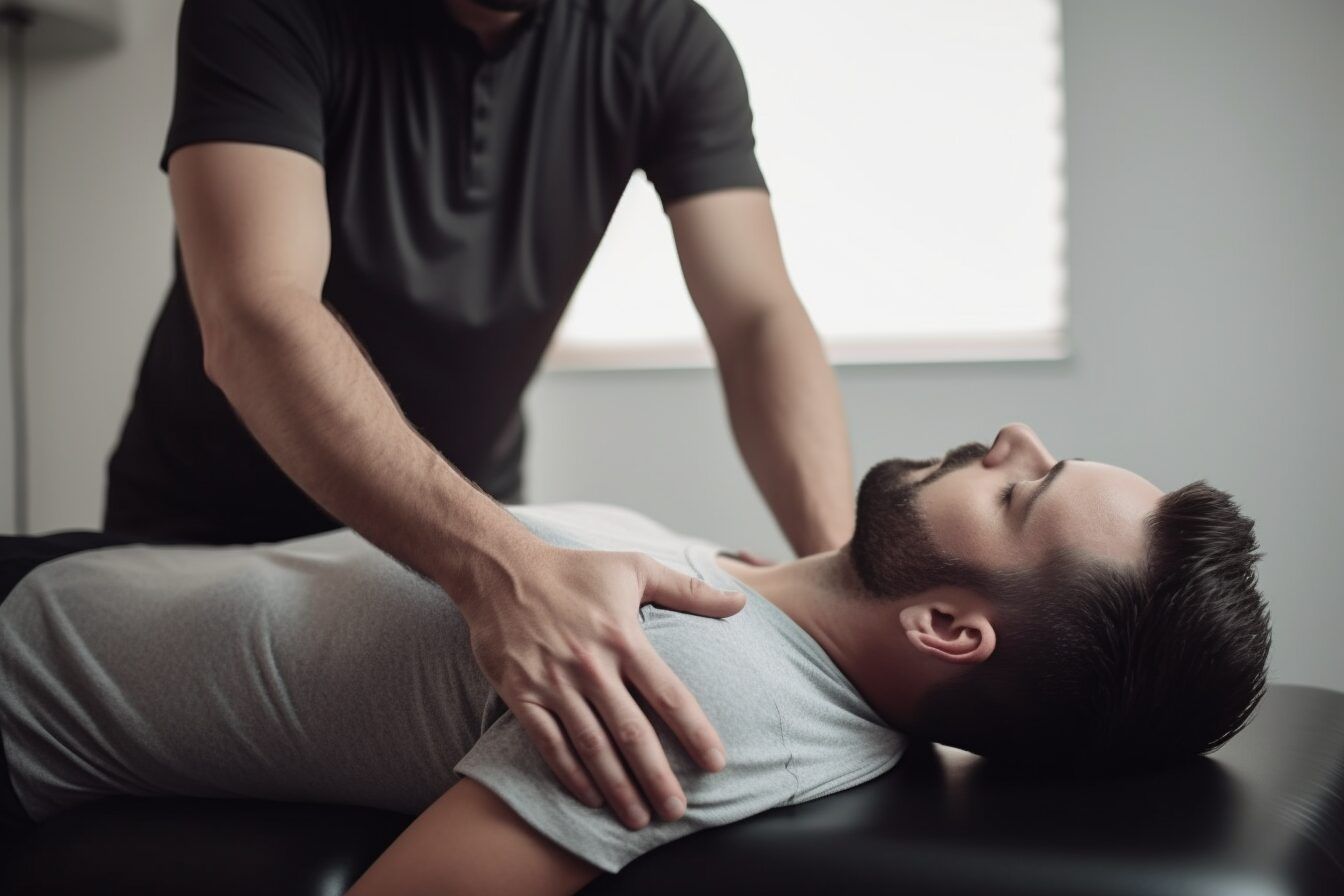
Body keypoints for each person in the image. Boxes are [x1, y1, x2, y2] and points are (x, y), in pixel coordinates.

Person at [101, 0, 856, 827]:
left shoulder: (664, 39)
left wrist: (848, 574)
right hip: (208, 527)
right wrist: (504, 569)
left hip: (460, 533)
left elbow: (755, 319)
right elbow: (257, 312)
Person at [0, 424, 1271, 894]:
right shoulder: (768, 605)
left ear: (948, 628)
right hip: (79, 569)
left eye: (1026, 489)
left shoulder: (711, 692)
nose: (1011, 434)